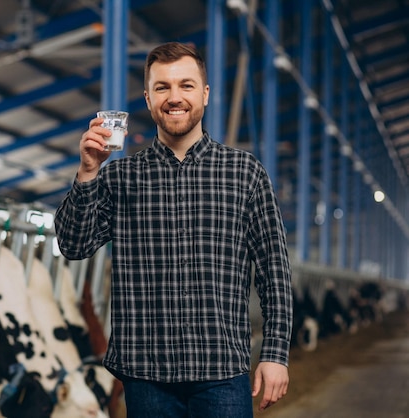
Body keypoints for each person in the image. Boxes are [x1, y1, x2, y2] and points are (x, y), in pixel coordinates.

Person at [54, 42, 292, 418]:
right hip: (146, 378)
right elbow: (73, 244)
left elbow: (273, 272)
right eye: (162, 87)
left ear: (205, 94)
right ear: (148, 99)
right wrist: (87, 173)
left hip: (222, 374)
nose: (174, 97)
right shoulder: (118, 176)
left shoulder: (245, 173)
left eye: (186, 85)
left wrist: (275, 354)